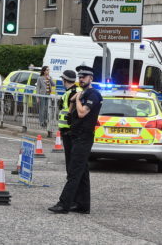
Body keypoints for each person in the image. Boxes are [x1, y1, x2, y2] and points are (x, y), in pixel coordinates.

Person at [49, 65, 102, 215]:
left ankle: (64, 204)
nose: (81, 79)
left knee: (74, 172)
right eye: (79, 77)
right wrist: (74, 100)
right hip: (76, 135)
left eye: (84, 77)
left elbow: (82, 112)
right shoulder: (83, 93)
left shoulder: (93, 94)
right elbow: (72, 108)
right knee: (82, 172)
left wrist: (77, 99)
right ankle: (82, 204)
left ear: (90, 78)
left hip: (84, 137)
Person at [57, 70, 81, 175]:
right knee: (74, 157)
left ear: (65, 80)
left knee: (71, 158)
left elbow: (74, 111)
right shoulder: (76, 90)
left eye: (62, 79)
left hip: (70, 130)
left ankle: (71, 179)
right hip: (70, 130)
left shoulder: (72, 93)